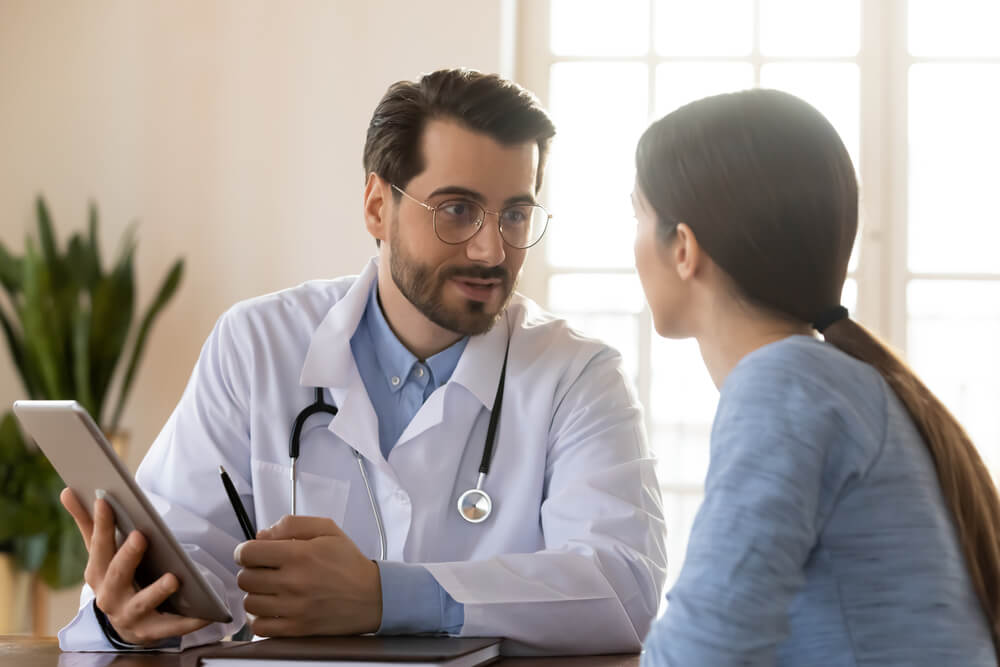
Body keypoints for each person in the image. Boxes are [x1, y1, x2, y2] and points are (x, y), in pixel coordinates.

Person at [57, 68, 667, 655]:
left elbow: (622, 587)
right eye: (457, 209)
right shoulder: (255, 345)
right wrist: (134, 612)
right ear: (378, 205)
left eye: (515, 214)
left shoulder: (579, 376)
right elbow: (184, 563)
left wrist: (385, 597)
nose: (491, 249)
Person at [632, 89, 1000, 665]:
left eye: (638, 216)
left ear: (683, 247)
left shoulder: (784, 386)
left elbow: (705, 652)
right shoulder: (824, 379)